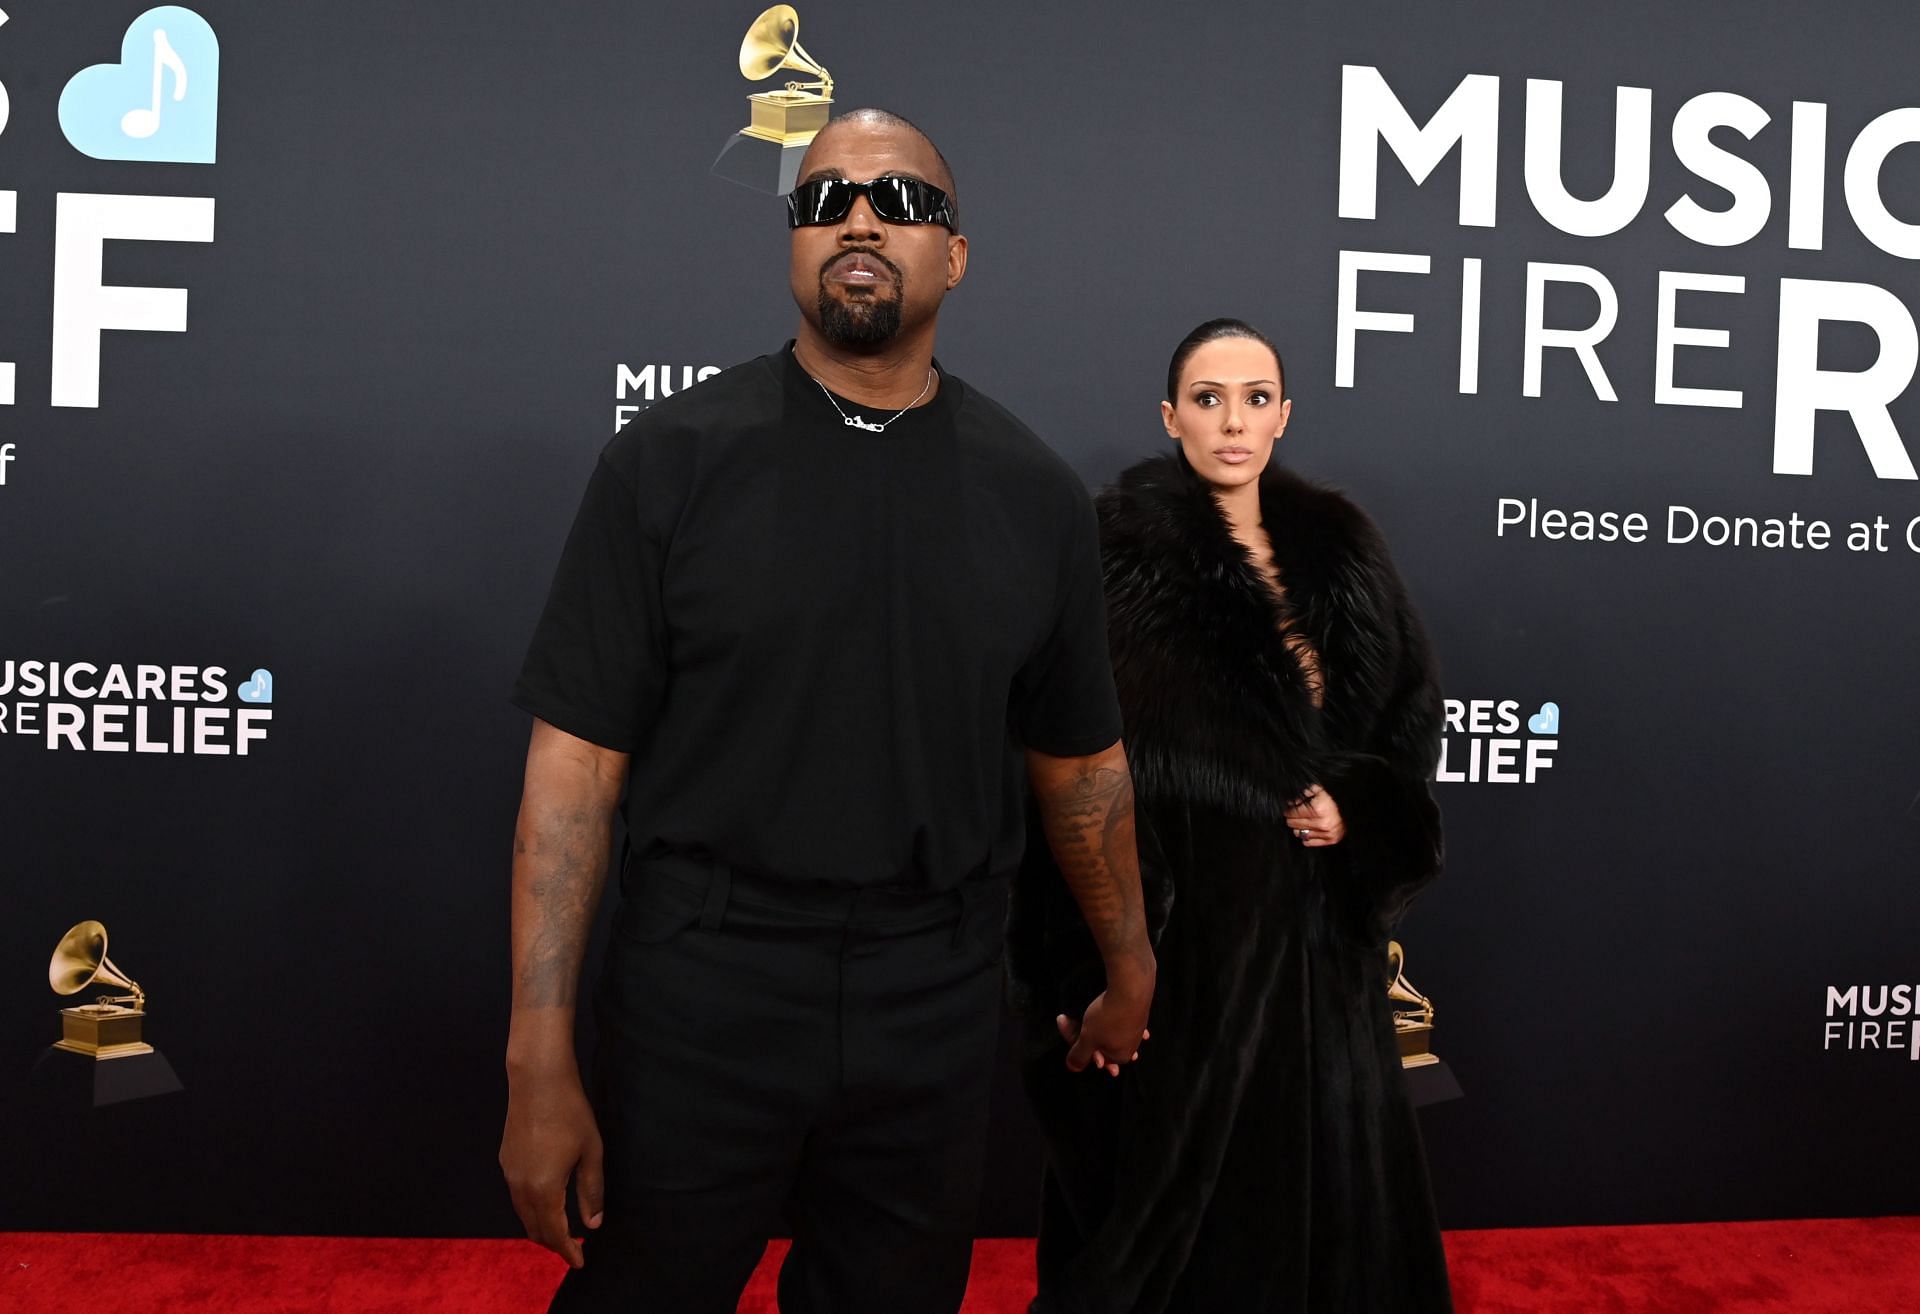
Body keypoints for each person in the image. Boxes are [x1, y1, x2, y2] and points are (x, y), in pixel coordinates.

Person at [498, 108, 1156, 1314]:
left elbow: (1080, 766)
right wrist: (537, 1055)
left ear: (954, 254)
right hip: (704, 982)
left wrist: (1130, 960)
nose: (860, 219)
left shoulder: (1036, 494)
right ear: (794, 246)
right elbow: (576, 769)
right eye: (825, 200)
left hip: (938, 989)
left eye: (902, 202)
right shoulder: (669, 460)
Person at [1010, 319, 1452, 1312]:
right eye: (1208, 399)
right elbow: (1065, 763)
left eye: (1256, 397)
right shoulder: (1114, 557)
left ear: (1285, 413)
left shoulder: (1345, 554)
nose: (1234, 421)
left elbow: (1406, 727)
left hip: (1325, 967)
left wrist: (1360, 807)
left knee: (1338, 1229)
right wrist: (1102, 966)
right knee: (1172, 1236)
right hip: (1187, 965)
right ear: (1171, 417)